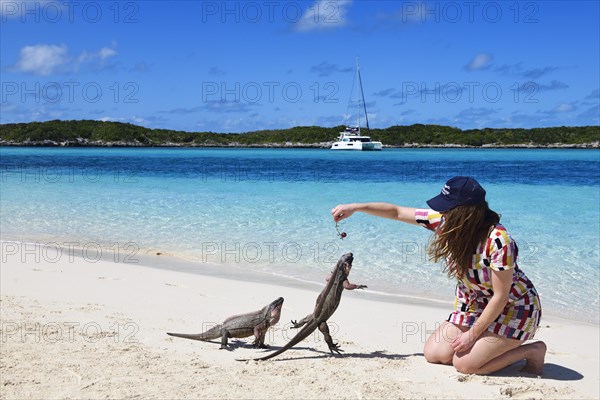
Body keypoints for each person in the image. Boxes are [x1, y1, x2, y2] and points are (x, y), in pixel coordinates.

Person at [331, 176, 546, 375]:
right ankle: (486, 338)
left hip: (514, 308)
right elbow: (396, 211)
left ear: (466, 212)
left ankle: (531, 351)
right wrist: (356, 207)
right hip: (475, 303)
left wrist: (471, 335)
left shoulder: (498, 240)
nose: (442, 214)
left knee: (465, 365)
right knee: (435, 354)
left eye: (447, 208)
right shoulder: (448, 224)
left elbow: (501, 296)